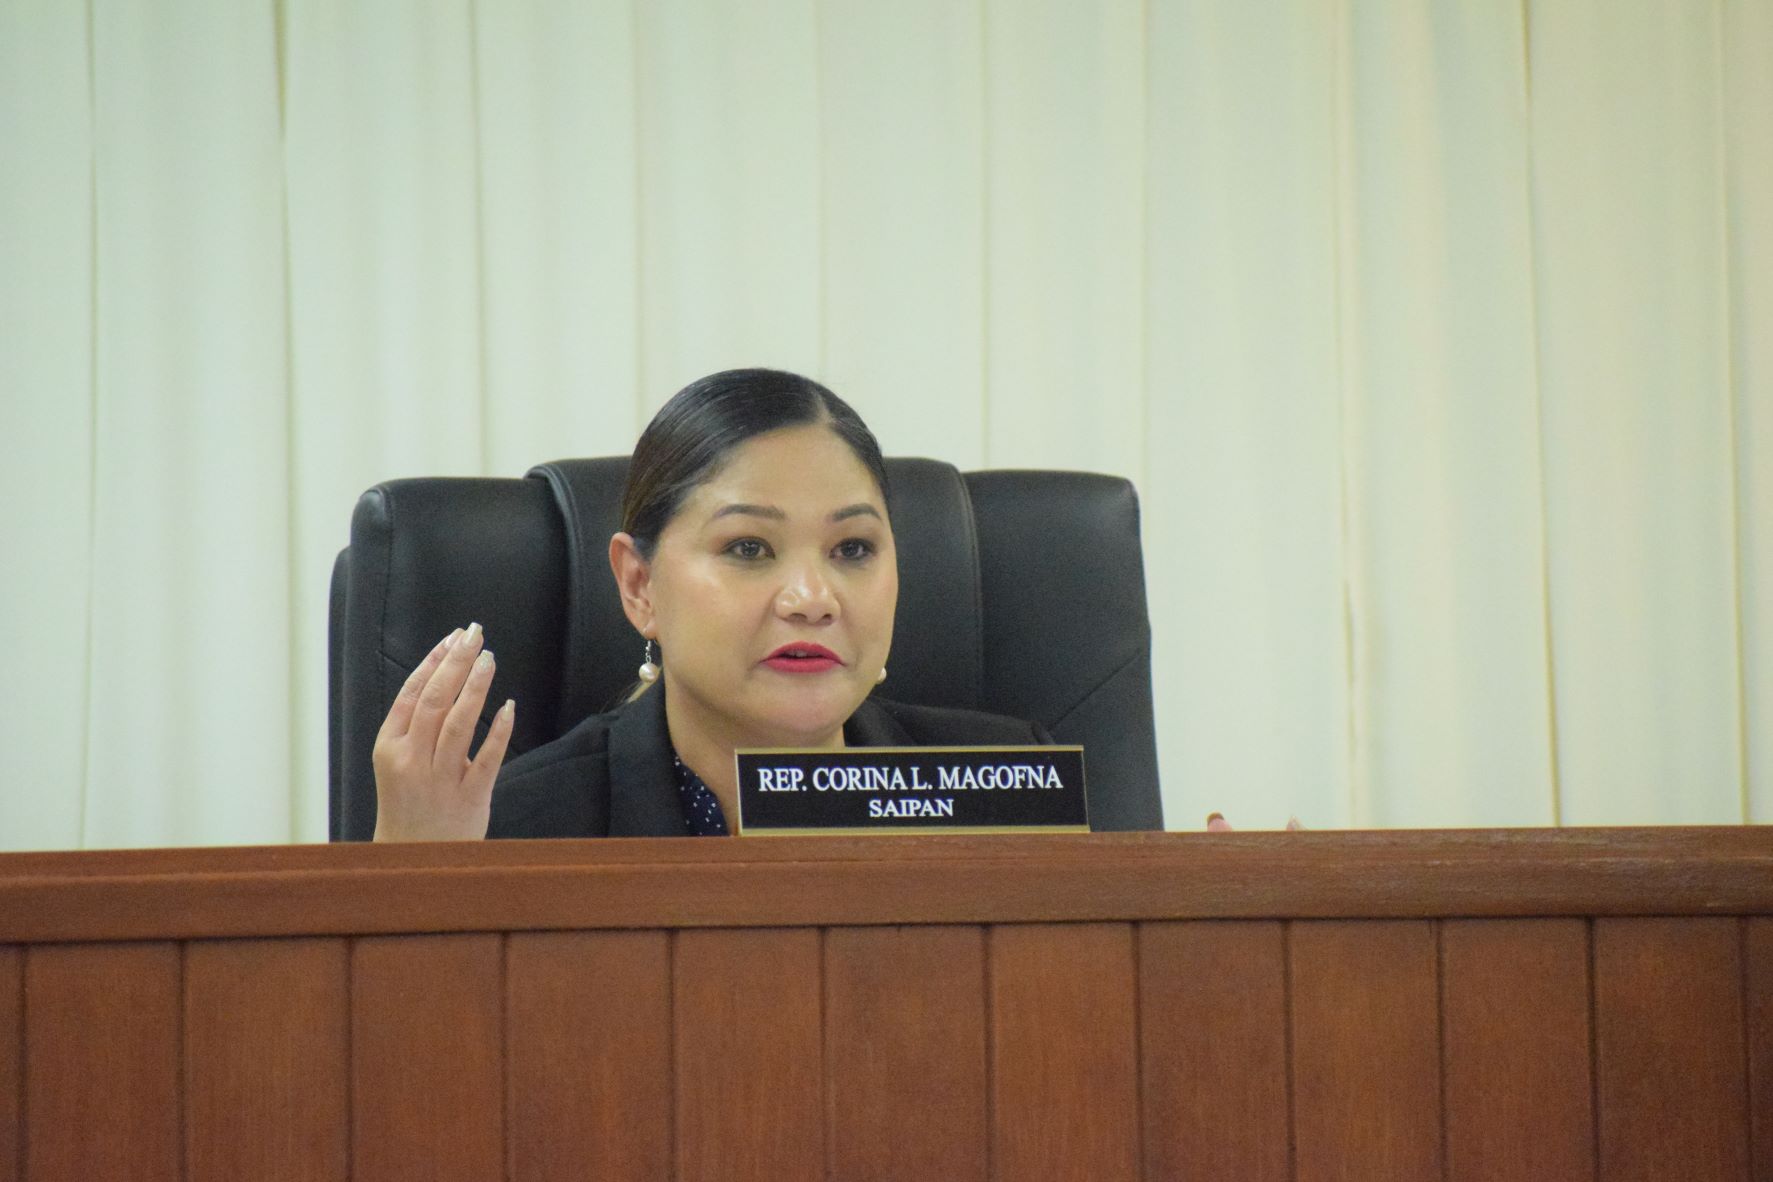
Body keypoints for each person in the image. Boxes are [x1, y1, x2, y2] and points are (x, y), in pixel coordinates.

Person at [370, 368, 1049, 841]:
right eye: (749, 548)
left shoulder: (1014, 785)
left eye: (852, 549)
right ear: (639, 586)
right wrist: (423, 883)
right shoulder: (510, 830)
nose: (812, 600)